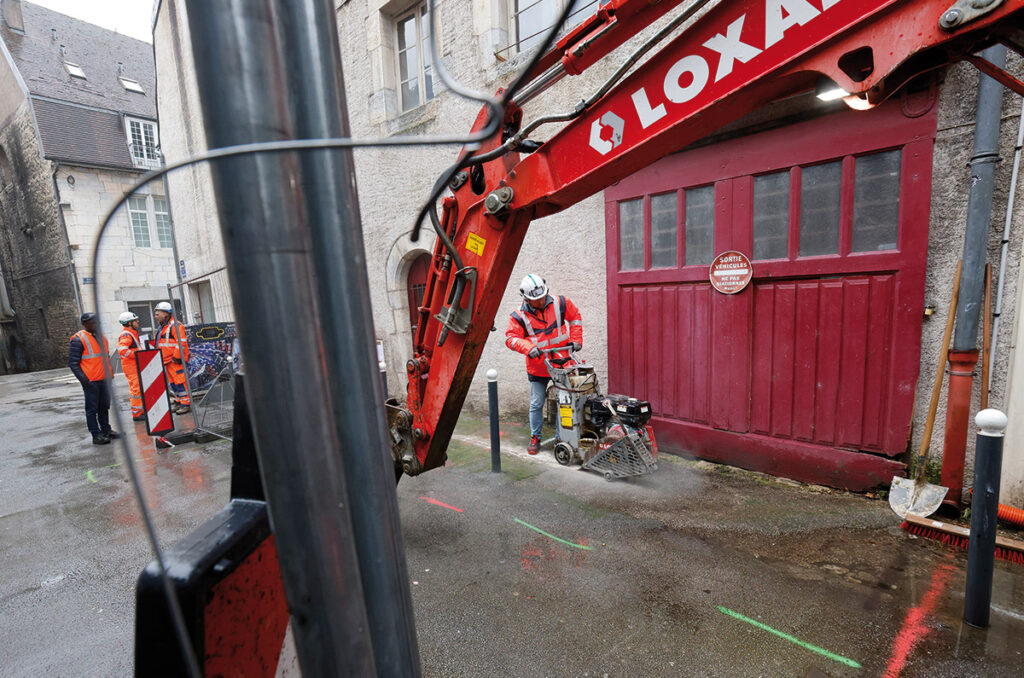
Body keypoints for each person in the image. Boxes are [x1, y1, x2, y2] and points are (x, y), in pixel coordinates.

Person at [504, 274, 582, 454]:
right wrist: (528, 347)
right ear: (525, 298)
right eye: (535, 299)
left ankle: (561, 437)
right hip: (538, 367)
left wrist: (576, 339)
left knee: (564, 402)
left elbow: (575, 317)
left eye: (541, 297)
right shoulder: (518, 316)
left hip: (561, 363)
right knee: (536, 403)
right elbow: (511, 338)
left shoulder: (561, 303)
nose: (540, 301)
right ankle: (535, 437)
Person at [69, 313, 121, 445]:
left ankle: (106, 430)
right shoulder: (78, 339)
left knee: (104, 406)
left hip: (104, 379)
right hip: (91, 381)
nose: (96, 325)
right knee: (92, 409)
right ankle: (96, 435)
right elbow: (73, 363)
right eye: (93, 322)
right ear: (84, 324)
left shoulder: (101, 338)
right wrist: (84, 380)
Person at [155, 301, 191, 414]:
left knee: (180, 383)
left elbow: (181, 342)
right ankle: (179, 401)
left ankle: (185, 404)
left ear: (166, 314)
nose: (156, 316)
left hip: (175, 361)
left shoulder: (176, 326)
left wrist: (175, 358)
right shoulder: (163, 327)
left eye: (157, 314)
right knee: (174, 384)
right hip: (167, 361)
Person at [117, 311, 145, 421]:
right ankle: (137, 414)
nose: (137, 322)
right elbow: (122, 350)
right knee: (136, 389)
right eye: (135, 321)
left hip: (134, 365)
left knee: (138, 388)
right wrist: (137, 355)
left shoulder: (131, 333)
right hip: (131, 366)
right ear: (129, 323)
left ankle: (140, 411)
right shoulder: (127, 334)